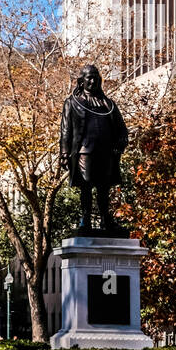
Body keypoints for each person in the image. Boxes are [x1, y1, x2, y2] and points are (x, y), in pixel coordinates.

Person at [59, 64, 128, 233]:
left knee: (104, 188)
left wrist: (120, 144)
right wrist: (64, 153)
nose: (93, 81)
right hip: (84, 150)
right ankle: (86, 218)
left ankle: (106, 220)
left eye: (96, 78)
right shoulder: (72, 102)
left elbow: (121, 129)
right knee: (86, 185)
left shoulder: (108, 104)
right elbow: (66, 129)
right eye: (89, 78)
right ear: (81, 82)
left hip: (106, 152)